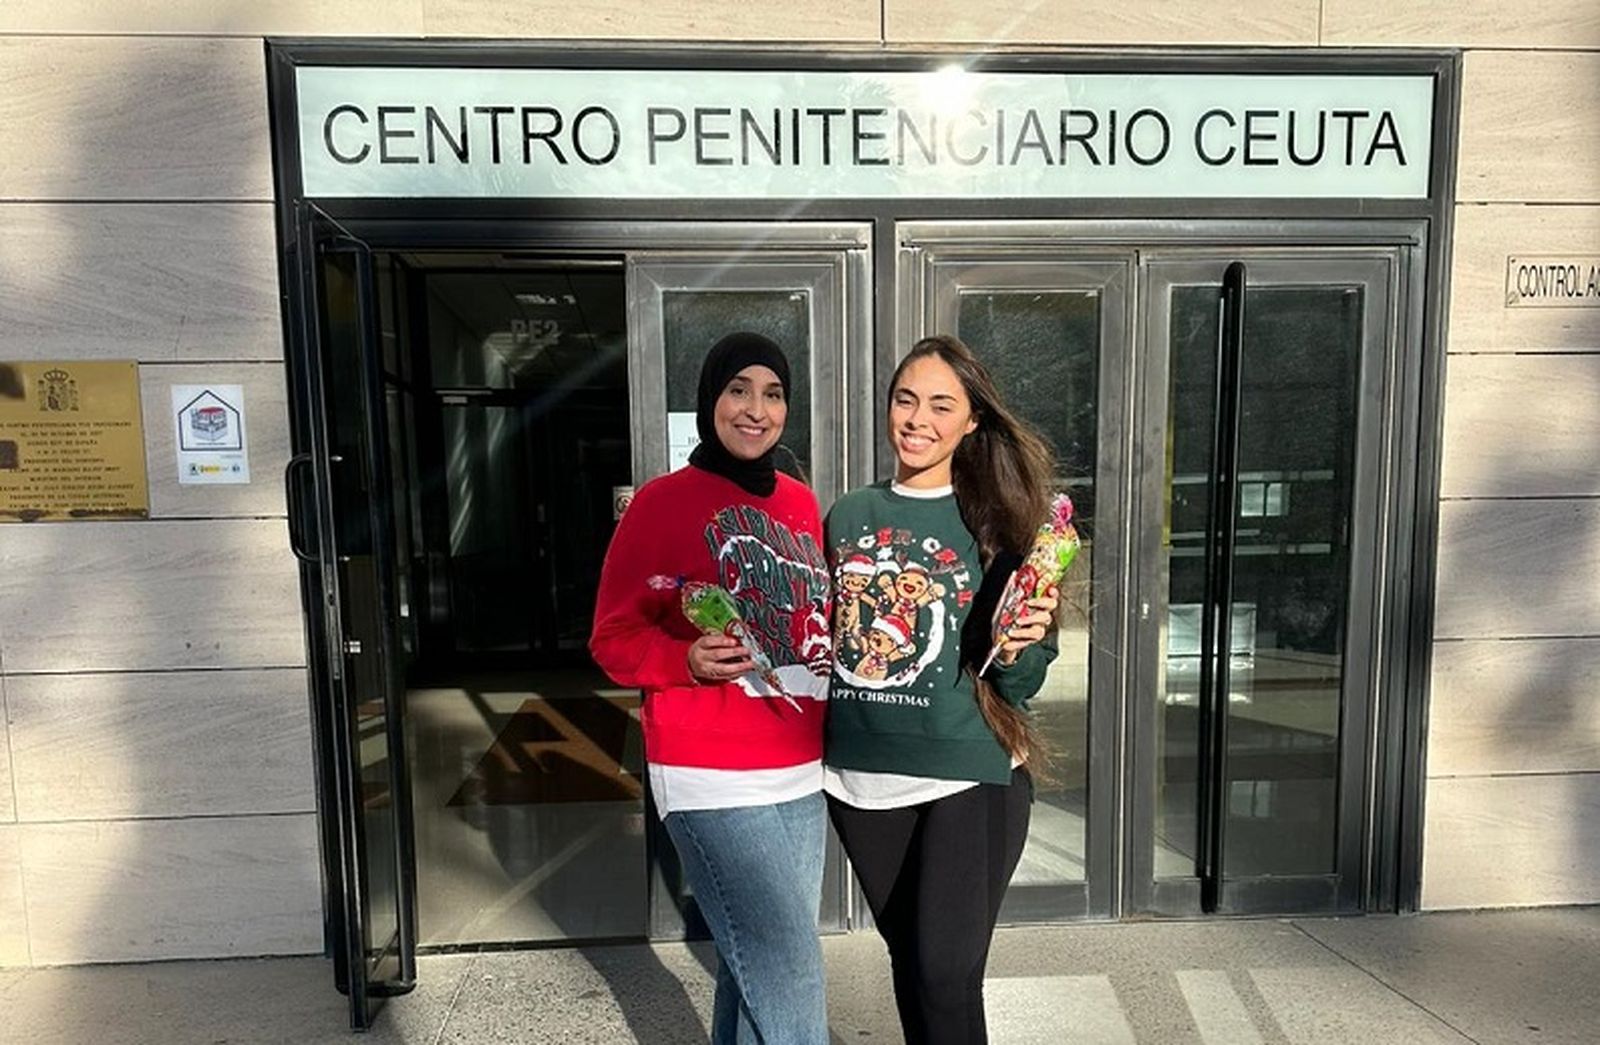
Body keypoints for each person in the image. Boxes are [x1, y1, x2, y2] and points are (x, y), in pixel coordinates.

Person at [590, 331, 832, 1045]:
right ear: (709, 400)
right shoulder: (662, 503)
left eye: (774, 394)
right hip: (710, 774)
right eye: (738, 390)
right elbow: (611, 637)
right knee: (789, 970)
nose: (756, 409)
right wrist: (684, 658)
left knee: (750, 969)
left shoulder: (800, 502)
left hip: (799, 768)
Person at [823, 333, 1060, 1045]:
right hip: (861, 781)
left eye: (940, 405)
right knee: (918, 971)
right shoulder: (848, 515)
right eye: (906, 400)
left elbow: (1021, 680)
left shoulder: (999, 523)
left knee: (943, 973)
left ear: (972, 420)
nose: (918, 419)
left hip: (967, 773)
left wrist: (1015, 646)